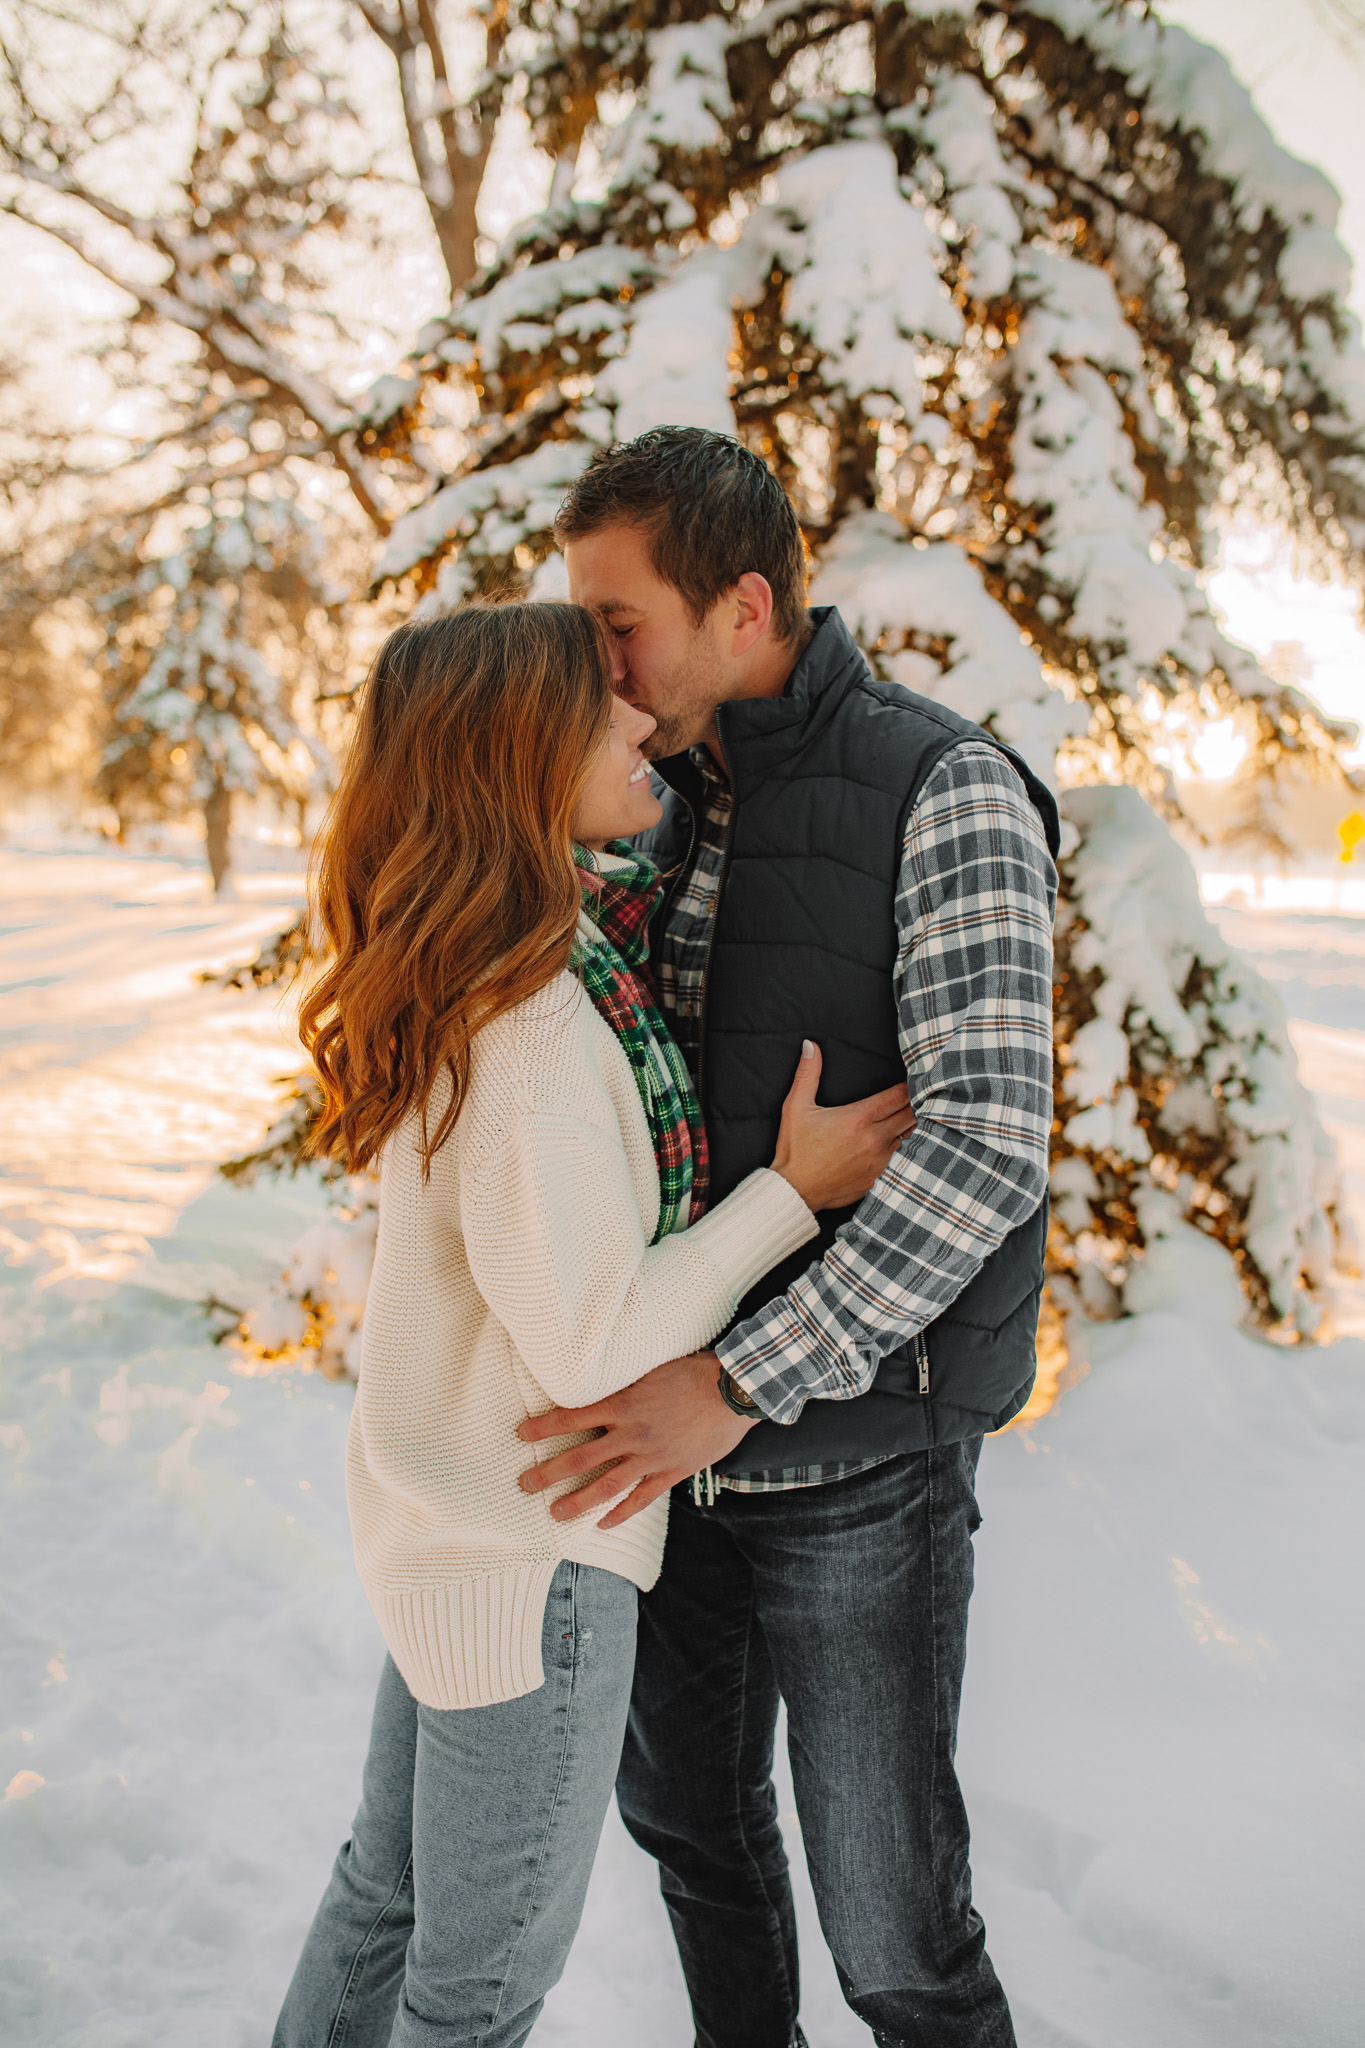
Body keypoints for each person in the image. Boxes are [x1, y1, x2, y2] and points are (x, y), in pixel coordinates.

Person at [272, 599, 916, 2048]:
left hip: (447, 1529)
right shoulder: (541, 1028)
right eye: (603, 709)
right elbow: (590, 1344)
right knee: (477, 1990)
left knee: (385, 1898)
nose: (641, 721)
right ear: (522, 758)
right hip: (531, 1553)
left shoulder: (491, 974)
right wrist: (787, 1195)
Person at [517, 429, 1060, 2048]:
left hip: (853, 1471)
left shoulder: (940, 788)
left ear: (743, 604)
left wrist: (735, 1383)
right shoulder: (635, 794)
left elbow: (978, 1152)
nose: (588, 658)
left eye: (619, 622)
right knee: (695, 1844)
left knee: (894, 1936)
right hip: (658, 1468)